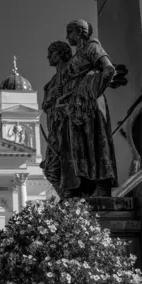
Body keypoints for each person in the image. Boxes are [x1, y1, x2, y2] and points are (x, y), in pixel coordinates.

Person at [53, 19, 118, 198]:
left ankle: (102, 184)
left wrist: (91, 88)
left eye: (70, 32)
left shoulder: (92, 47)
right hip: (74, 108)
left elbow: (108, 69)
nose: (67, 37)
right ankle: (84, 186)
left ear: (80, 32)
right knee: (77, 147)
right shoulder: (76, 57)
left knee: (95, 141)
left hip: (90, 104)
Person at [40, 40, 73, 198]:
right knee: (50, 169)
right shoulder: (51, 82)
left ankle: (71, 202)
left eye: (51, 53)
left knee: (67, 166)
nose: (48, 57)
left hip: (69, 126)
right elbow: (46, 105)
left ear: (60, 54)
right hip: (55, 129)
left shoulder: (72, 72)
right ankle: (69, 202)